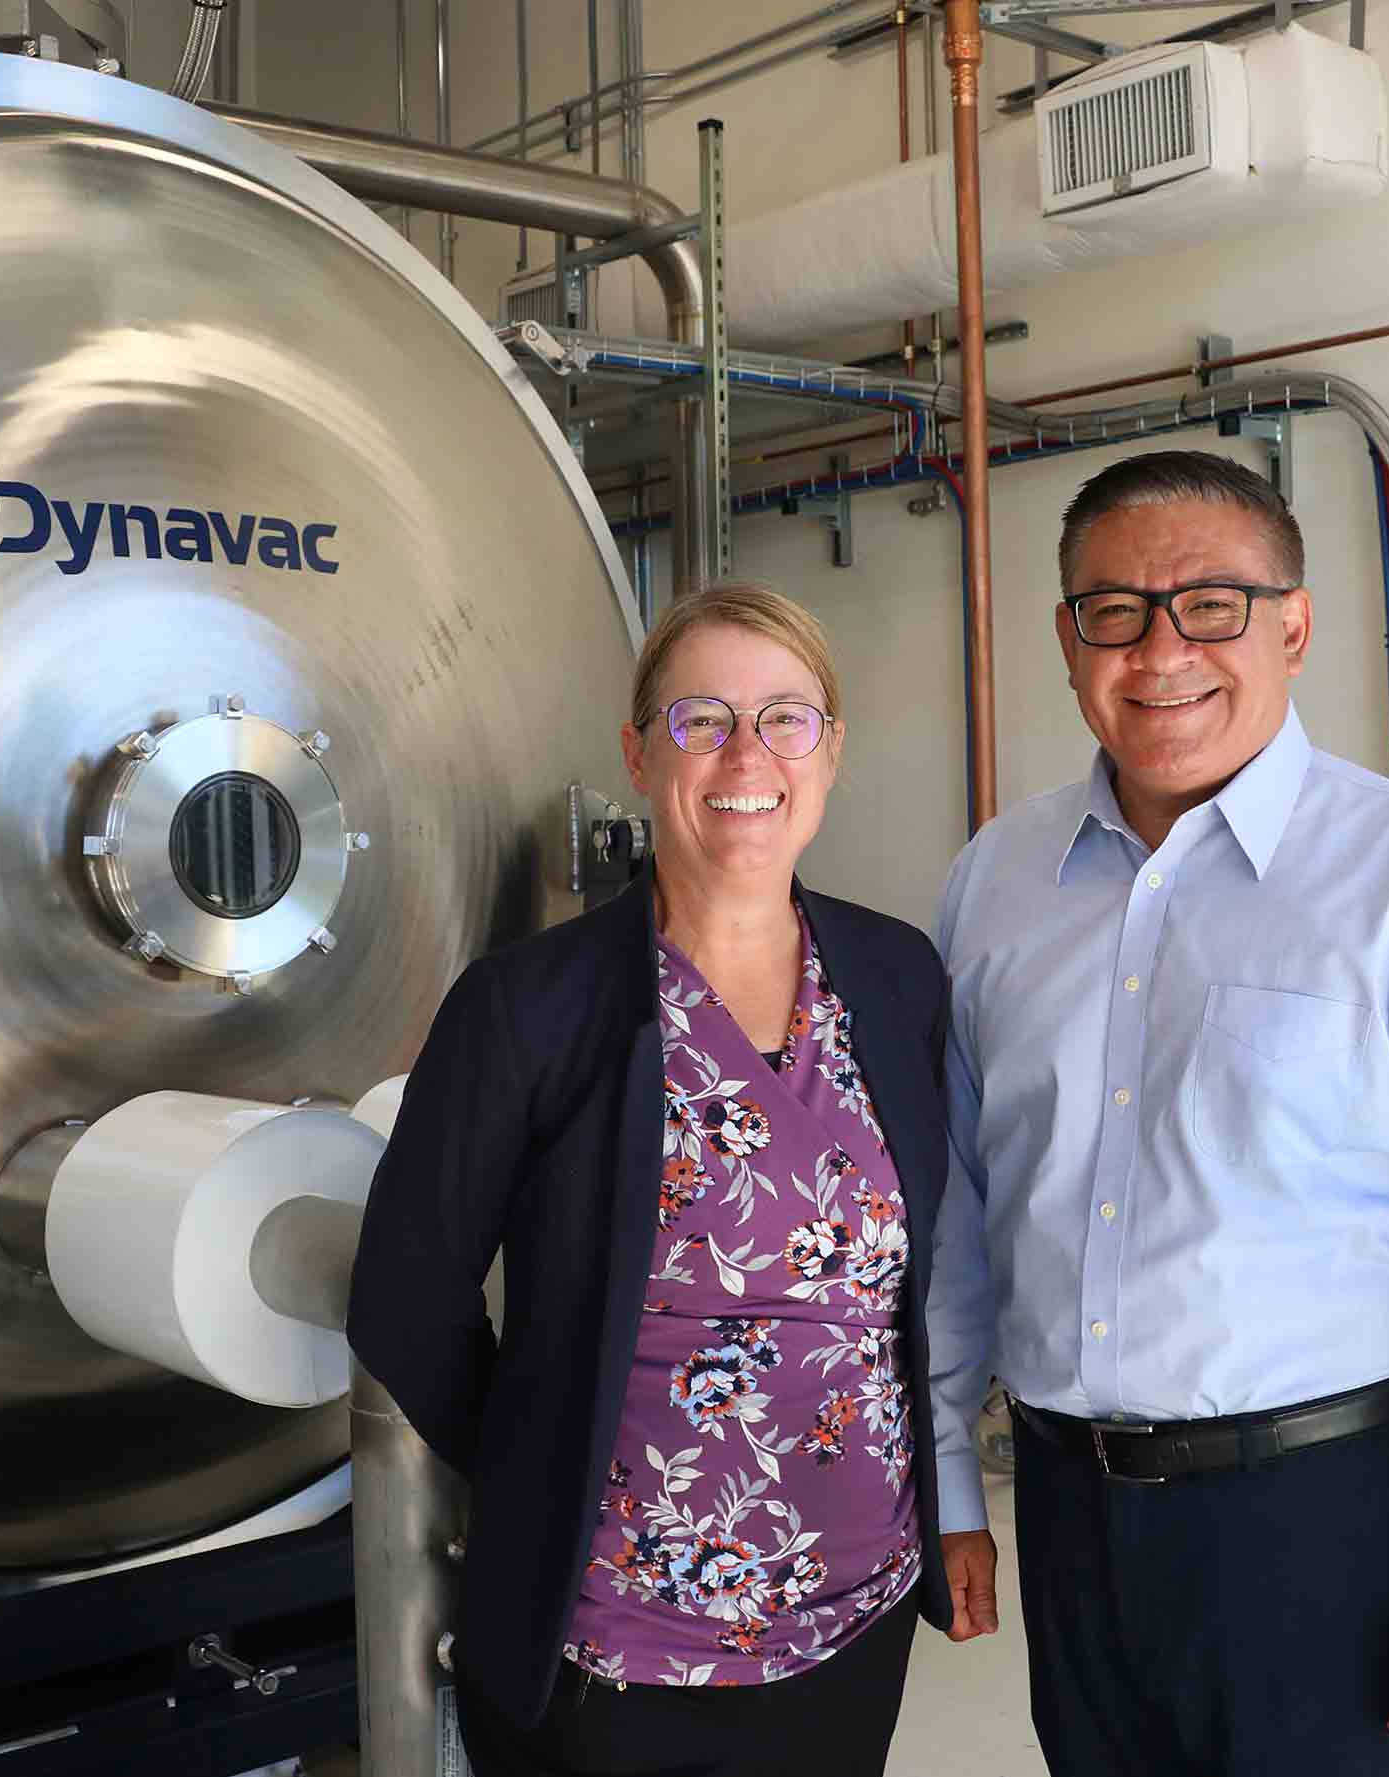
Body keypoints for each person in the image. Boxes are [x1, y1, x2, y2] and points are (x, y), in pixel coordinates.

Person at [928, 450, 1389, 1774]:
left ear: (1295, 626)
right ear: (1066, 637)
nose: (1161, 651)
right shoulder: (996, 884)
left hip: (1336, 1522)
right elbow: (961, 1214)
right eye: (1115, 611)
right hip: (1071, 1516)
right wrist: (945, 1471)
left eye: (1213, 605)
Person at [349, 582, 955, 1777]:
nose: (747, 754)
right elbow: (404, 1296)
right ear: (638, 754)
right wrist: (549, 1463)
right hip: (619, 1643)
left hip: (854, 1615)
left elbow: (932, 1276)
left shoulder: (896, 975)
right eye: (700, 720)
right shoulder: (530, 1006)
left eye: (787, 718)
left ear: (830, 753)